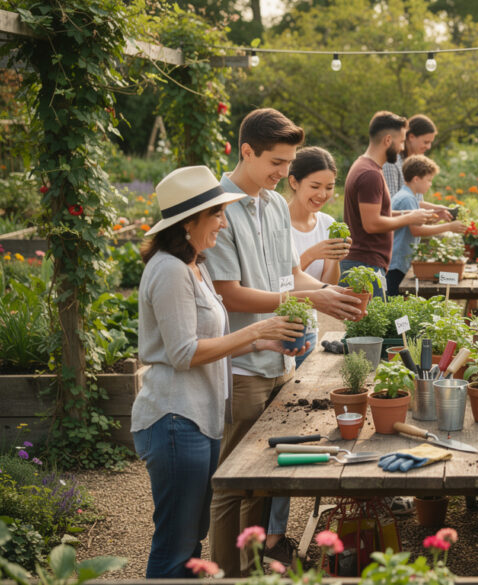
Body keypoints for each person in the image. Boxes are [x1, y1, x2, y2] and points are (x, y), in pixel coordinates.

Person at [204, 108, 362, 576]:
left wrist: (330, 293)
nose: (283, 172)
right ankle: (227, 573)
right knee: (234, 481)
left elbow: (290, 274)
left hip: (282, 358)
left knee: (265, 476)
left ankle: (253, 570)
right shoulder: (219, 207)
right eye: (276, 162)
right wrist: (308, 296)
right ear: (246, 151)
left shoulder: (273, 203)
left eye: (289, 163)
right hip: (243, 362)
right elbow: (229, 292)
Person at [132, 166, 306, 578]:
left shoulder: (195, 265)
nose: (224, 223)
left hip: (197, 417)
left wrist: (263, 343)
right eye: (216, 214)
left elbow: (211, 339)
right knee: (176, 545)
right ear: (188, 222)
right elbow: (183, 353)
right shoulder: (170, 271)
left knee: (192, 537)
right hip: (173, 418)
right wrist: (257, 329)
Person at [342, 111, 435, 298]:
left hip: (368, 263)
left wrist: (410, 214)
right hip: (364, 265)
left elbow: (378, 214)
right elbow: (372, 224)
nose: (402, 148)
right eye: (401, 142)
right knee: (371, 317)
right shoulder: (370, 174)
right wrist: (409, 218)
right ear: (387, 140)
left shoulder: (367, 167)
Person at [287, 146, 351, 366]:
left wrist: (334, 257)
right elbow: (279, 281)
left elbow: (327, 284)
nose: (322, 194)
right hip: (280, 331)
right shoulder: (278, 223)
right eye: (315, 186)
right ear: (294, 182)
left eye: (329, 187)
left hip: (309, 329)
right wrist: (312, 254)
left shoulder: (327, 224)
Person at [387, 155, 466, 295]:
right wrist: (449, 227)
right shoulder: (407, 199)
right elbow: (417, 230)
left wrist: (437, 218)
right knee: (393, 298)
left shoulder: (407, 196)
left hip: (398, 260)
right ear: (416, 179)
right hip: (397, 262)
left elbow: (415, 223)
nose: (430, 184)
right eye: (428, 180)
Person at [381, 114, 453, 221]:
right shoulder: (392, 163)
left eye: (430, 143)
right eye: (426, 142)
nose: (428, 147)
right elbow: (392, 205)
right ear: (411, 137)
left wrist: (437, 210)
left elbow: (416, 203)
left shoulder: (416, 163)